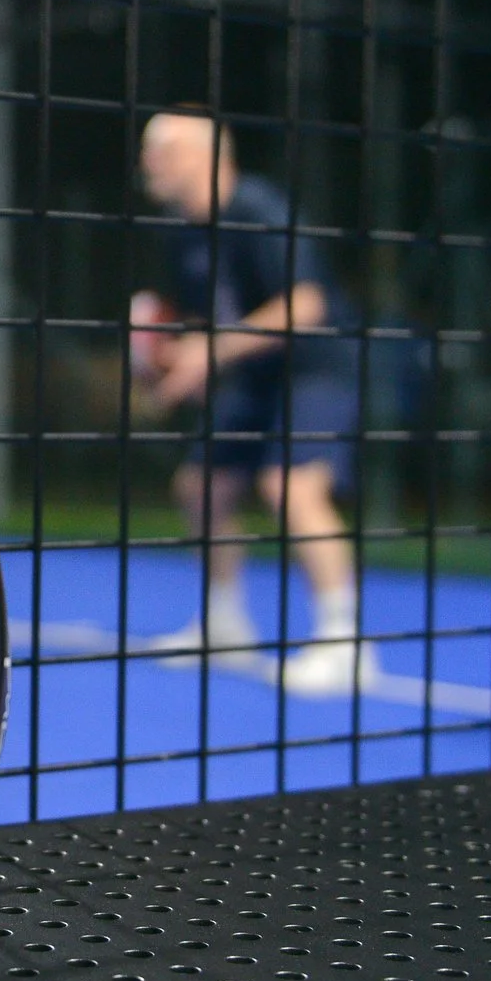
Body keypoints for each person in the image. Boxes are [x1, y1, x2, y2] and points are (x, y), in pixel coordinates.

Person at [131, 111, 376, 694]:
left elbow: (307, 306)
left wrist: (210, 350)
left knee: (291, 487)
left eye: (160, 149)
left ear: (203, 154)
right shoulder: (181, 229)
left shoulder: (260, 209)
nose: (148, 162)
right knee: (200, 487)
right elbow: (209, 321)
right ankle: (225, 625)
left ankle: (346, 643)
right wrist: (170, 356)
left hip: (318, 366)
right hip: (253, 374)